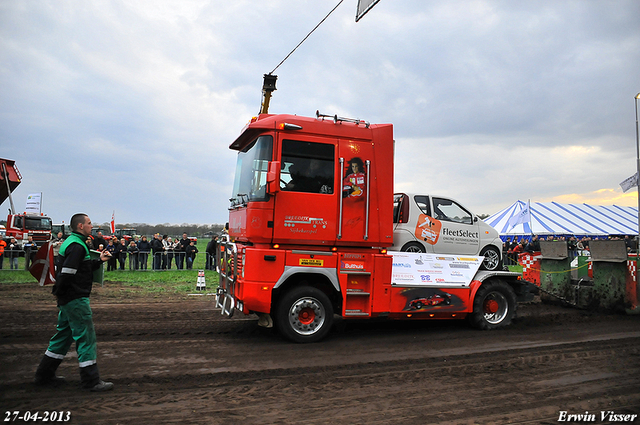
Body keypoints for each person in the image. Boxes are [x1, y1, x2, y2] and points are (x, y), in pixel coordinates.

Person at [34, 213, 113, 392]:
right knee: (86, 337)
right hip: (75, 299)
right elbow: (68, 274)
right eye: (89, 223)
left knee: (63, 336)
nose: (91, 226)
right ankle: (91, 381)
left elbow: (79, 269)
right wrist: (60, 294)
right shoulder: (77, 246)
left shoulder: (72, 243)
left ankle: (44, 375)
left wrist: (99, 261)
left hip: (68, 299)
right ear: (80, 226)